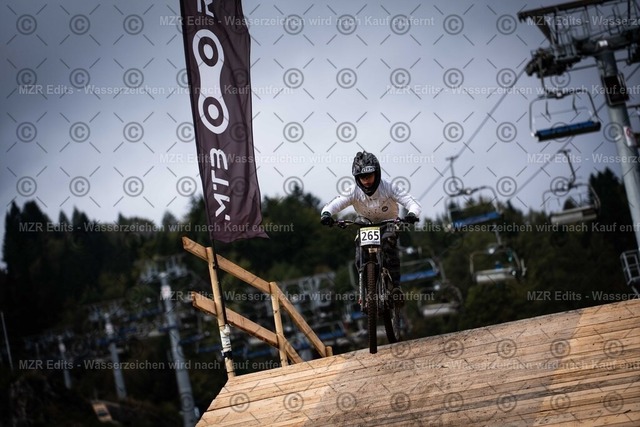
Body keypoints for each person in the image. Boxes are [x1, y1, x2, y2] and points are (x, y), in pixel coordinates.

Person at [320, 151, 422, 304]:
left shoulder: (389, 187)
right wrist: (326, 214)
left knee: (389, 244)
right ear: (357, 178)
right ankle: (366, 290)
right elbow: (335, 203)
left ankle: (395, 287)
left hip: (389, 222)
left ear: (377, 173)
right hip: (365, 224)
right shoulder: (353, 190)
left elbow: (412, 202)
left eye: (369, 176)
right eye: (362, 177)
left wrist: (412, 214)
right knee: (360, 250)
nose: (366, 181)